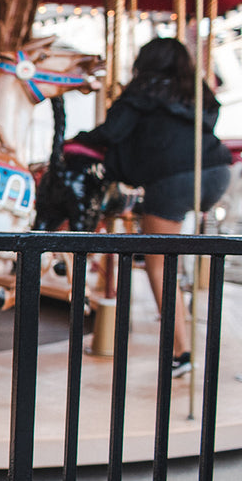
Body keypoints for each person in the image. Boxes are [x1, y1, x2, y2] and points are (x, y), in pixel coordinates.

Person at [73, 37, 232, 377]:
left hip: (174, 178)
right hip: (217, 172)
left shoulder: (141, 91)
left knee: (159, 265)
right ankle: (184, 310)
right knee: (173, 249)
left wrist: (77, 140)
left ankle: (181, 350)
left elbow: (112, 133)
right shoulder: (196, 92)